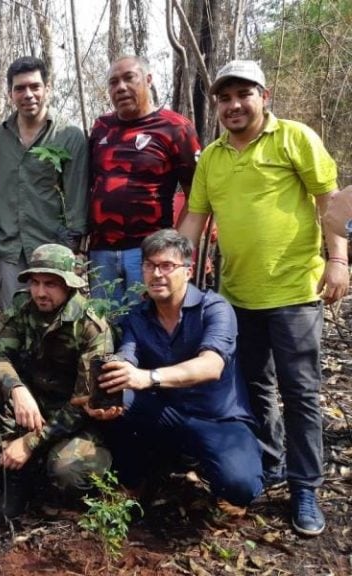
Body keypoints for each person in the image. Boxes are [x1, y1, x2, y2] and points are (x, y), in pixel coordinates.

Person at [179, 60, 349, 536]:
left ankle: (305, 488)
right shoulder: (211, 156)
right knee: (255, 386)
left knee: (300, 393)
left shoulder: (295, 138)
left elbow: (330, 203)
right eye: (224, 97)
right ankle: (271, 464)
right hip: (237, 295)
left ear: (263, 96)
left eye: (243, 95)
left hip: (295, 291)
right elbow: (193, 221)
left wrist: (339, 260)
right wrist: (169, 266)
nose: (233, 105)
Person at [78, 229, 263, 512]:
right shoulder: (137, 317)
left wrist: (149, 377)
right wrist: (101, 396)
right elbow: (127, 361)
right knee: (119, 399)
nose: (157, 274)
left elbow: (211, 365)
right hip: (165, 413)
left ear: (188, 271)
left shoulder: (214, 309)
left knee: (241, 486)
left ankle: (215, 477)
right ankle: (134, 481)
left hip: (217, 418)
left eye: (167, 266)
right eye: (150, 265)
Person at [0, 243, 113, 519]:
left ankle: (55, 488)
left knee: (68, 470)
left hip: (71, 418)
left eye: (51, 284)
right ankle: (14, 475)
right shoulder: (23, 306)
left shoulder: (91, 326)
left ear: (69, 285)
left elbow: (83, 403)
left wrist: (30, 443)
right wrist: (17, 389)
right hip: (30, 407)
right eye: (35, 283)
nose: (40, 292)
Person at [88, 55, 200, 304]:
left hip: (148, 250)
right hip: (100, 251)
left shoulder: (176, 128)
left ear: (148, 80)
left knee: (147, 325)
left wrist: (175, 248)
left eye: (129, 78)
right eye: (113, 82)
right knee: (104, 328)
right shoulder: (101, 128)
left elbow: (197, 196)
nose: (121, 87)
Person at [0, 56, 88, 309]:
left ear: (47, 89)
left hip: (54, 248)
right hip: (10, 249)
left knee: (55, 325)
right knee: (13, 322)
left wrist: (72, 250)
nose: (28, 94)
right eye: (20, 88)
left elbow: (77, 197)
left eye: (35, 86)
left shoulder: (68, 136)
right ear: (10, 93)